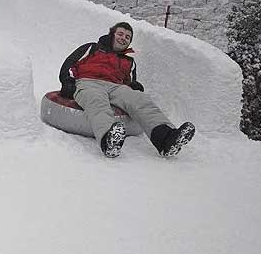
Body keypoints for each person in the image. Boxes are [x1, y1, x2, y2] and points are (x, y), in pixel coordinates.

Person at [58, 22, 195, 158]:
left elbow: (129, 82)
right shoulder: (91, 48)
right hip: (89, 82)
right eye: (120, 34)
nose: (123, 38)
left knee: (140, 99)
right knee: (96, 101)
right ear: (112, 34)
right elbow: (69, 64)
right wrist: (67, 82)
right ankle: (109, 141)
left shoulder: (129, 62)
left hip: (116, 87)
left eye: (128, 37)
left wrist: (134, 86)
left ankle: (166, 139)